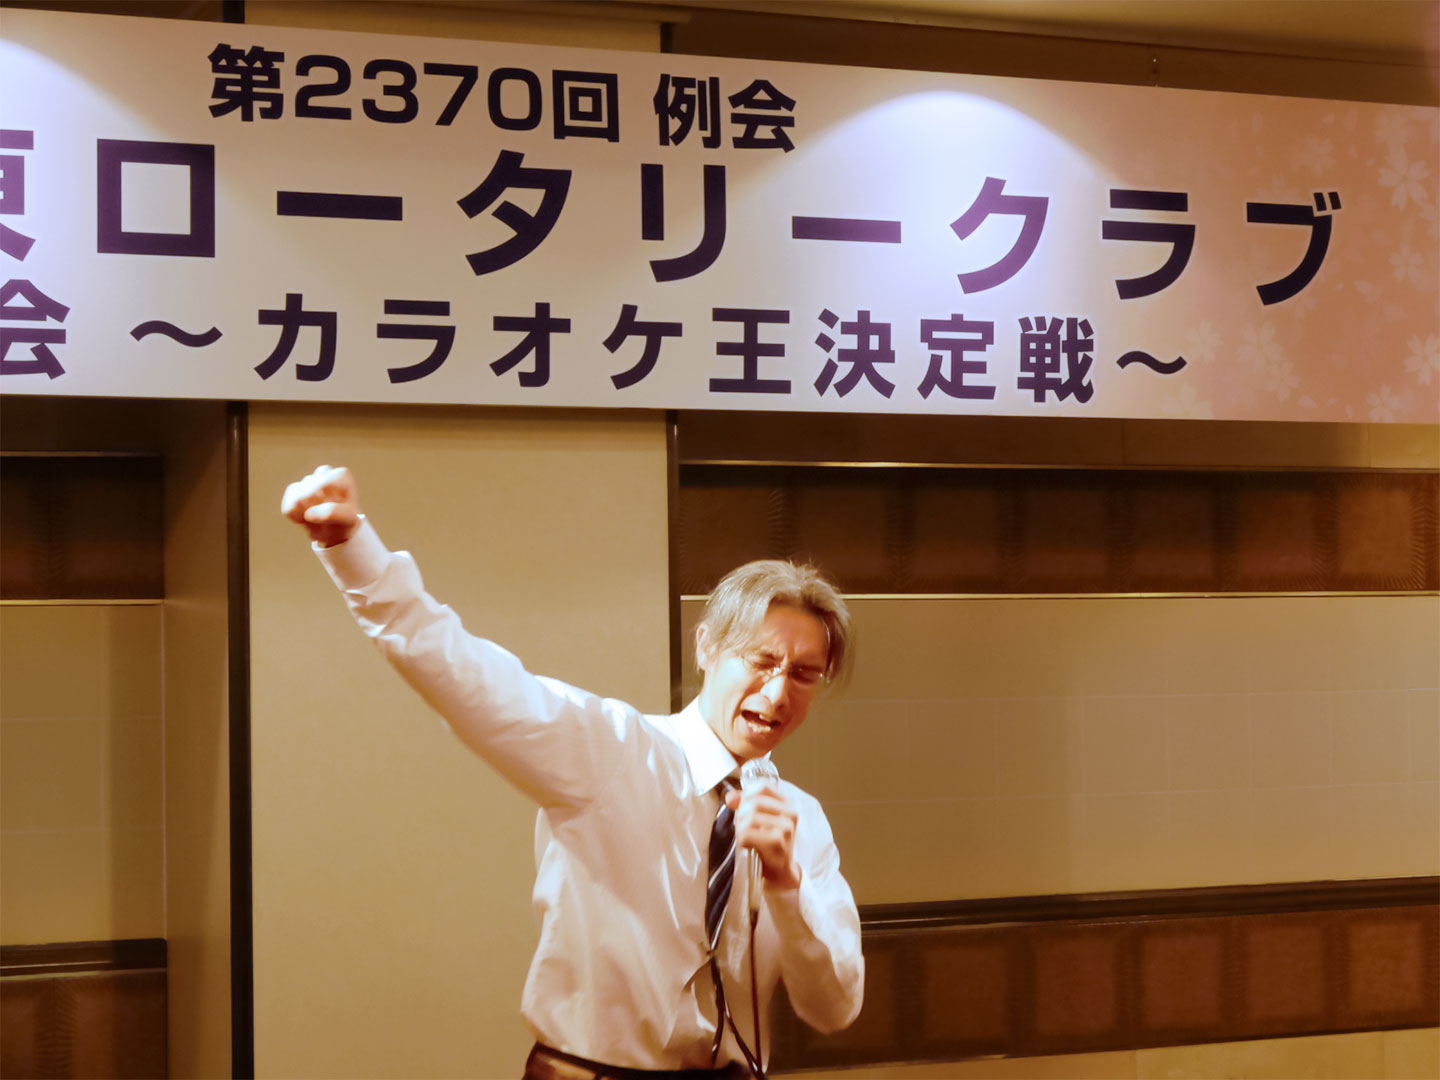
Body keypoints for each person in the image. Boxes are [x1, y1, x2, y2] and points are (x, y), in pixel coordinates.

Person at [281, 464, 863, 1080]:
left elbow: (833, 1008)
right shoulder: (611, 752)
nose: (777, 693)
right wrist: (350, 549)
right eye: (761, 660)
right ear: (707, 648)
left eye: (804, 674)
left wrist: (786, 885)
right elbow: (461, 671)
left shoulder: (801, 821)